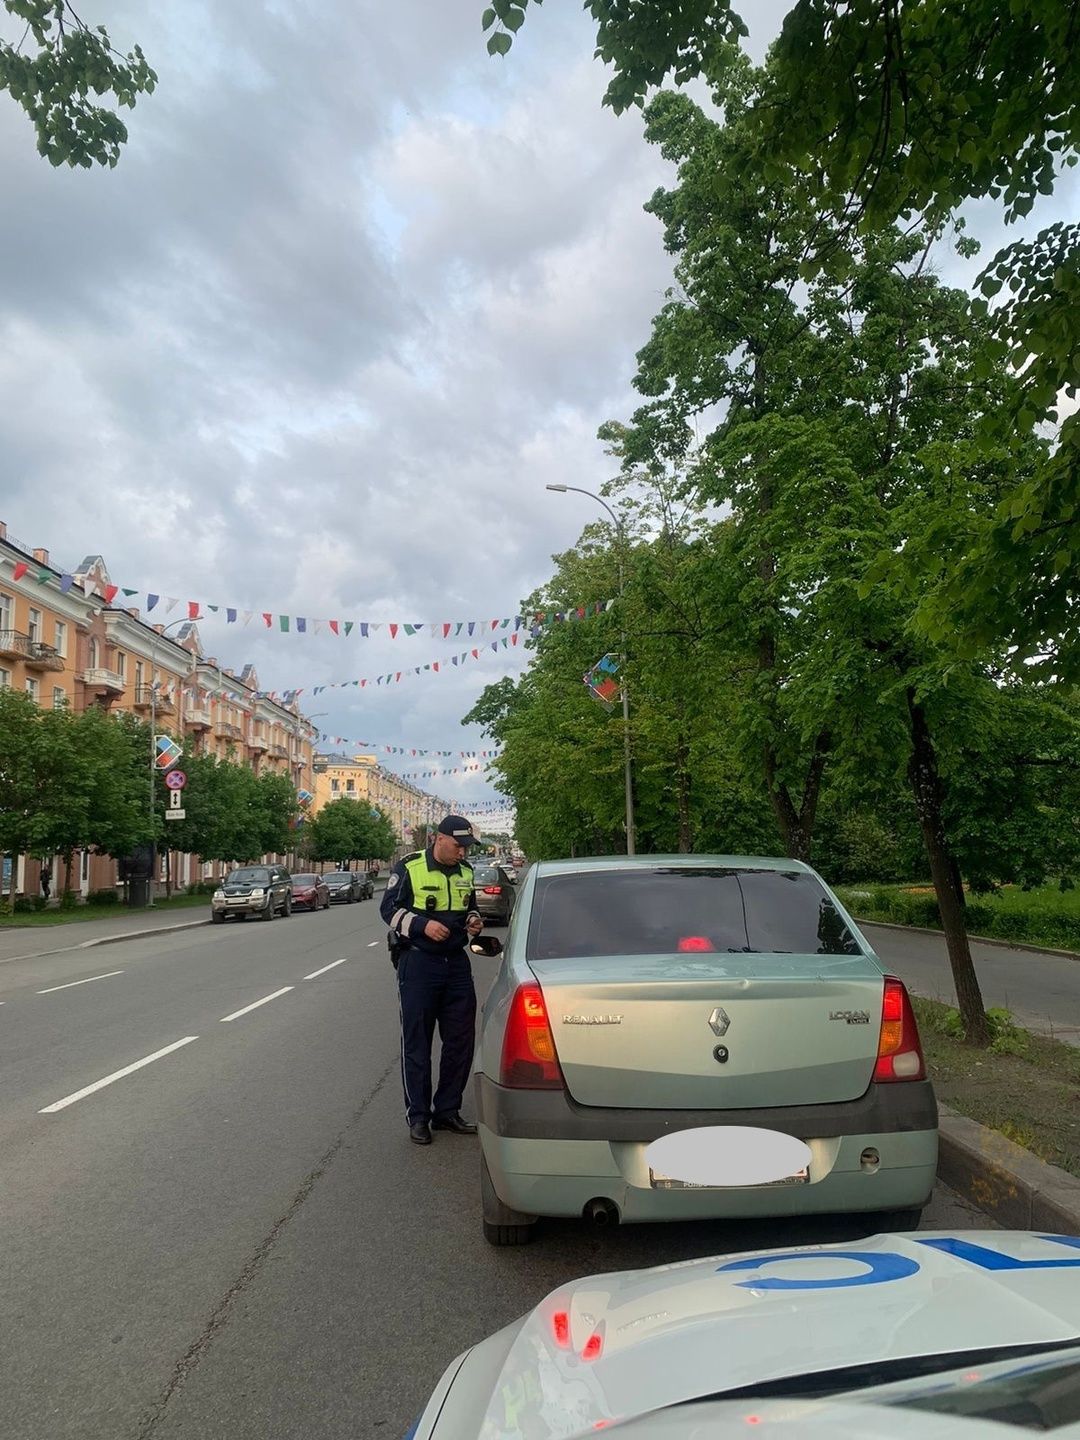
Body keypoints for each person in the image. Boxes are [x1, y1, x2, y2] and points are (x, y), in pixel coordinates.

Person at [381, 815, 484, 1145]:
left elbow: (471, 905)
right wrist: (421, 925)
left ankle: (447, 1111)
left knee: (460, 1041)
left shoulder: (466, 871)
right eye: (458, 846)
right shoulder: (409, 867)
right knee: (417, 1043)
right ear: (439, 839)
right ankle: (419, 1116)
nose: (462, 853)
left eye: (467, 848)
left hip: (455, 963)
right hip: (419, 962)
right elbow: (388, 910)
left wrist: (473, 919)